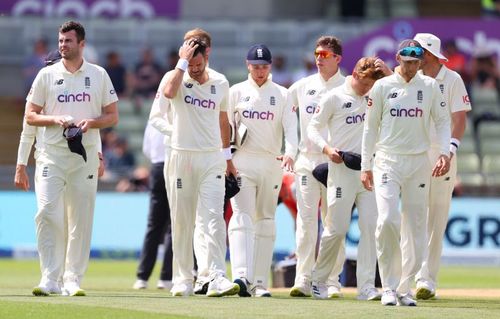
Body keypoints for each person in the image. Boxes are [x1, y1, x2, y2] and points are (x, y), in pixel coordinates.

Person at [24, 20, 118, 297]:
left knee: (81, 219)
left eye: (68, 41)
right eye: (60, 41)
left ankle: (72, 278)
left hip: (84, 156)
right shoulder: (47, 75)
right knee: (46, 213)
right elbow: (30, 115)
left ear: (82, 44)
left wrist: (92, 122)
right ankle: (49, 277)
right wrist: (55, 119)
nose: (63, 45)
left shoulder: (98, 74)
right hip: (51, 156)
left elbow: (113, 116)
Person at [360, 39, 451, 307]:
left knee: (416, 226)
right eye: (406, 61)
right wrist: (366, 166)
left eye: (415, 62)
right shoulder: (383, 86)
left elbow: (443, 121)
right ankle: (388, 286)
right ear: (398, 58)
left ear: (421, 61)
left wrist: (444, 152)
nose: (411, 67)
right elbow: (369, 129)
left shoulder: (430, 87)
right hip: (388, 160)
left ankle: (404, 288)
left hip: (418, 162)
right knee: (387, 220)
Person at [163, 34, 239, 297]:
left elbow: (223, 121)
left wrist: (227, 157)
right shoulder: (177, 76)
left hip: (211, 159)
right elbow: (168, 93)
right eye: (191, 65)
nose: (194, 71)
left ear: (206, 58)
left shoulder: (220, 82)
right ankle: (183, 278)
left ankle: (217, 275)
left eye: (198, 65)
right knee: (183, 221)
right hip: (182, 156)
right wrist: (182, 64)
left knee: (214, 217)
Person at [308, 57, 386, 300]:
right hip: (341, 169)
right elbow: (312, 128)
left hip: (370, 170)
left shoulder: (376, 94)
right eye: (364, 84)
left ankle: (366, 286)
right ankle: (318, 280)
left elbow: (399, 89)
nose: (366, 89)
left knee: (371, 228)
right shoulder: (334, 97)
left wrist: (386, 70)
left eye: (371, 85)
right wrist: (327, 149)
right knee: (337, 229)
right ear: (354, 73)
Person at [227, 44, 298, 297]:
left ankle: (259, 283)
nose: (260, 72)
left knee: (266, 220)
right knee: (241, 217)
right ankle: (241, 277)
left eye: (264, 67)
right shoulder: (236, 92)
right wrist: (227, 159)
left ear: (271, 67)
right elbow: (225, 129)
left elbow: (291, 128)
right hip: (243, 160)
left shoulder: (282, 94)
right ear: (248, 65)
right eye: (256, 67)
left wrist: (291, 152)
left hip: (271, 162)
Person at [412, 33, 472, 300]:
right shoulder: (412, 77)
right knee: (411, 216)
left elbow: (459, 119)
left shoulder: (453, 79)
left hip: (443, 153)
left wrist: (449, 152)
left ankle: (427, 279)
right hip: (414, 154)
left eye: (419, 51)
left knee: (436, 217)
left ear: (431, 55)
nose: (414, 56)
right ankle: (406, 277)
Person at [288, 36, 346, 298]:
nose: (319, 59)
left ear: (337, 58)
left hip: (335, 163)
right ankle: (303, 277)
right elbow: (282, 110)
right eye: (316, 54)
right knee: (305, 222)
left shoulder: (347, 87)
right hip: (307, 161)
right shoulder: (303, 86)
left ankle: (332, 280)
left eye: (324, 55)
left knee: (334, 223)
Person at [132, 122, 173, 290]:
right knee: (173, 225)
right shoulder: (179, 114)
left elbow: (146, 150)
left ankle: (142, 277)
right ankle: (166, 277)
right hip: (175, 166)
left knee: (153, 225)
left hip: (156, 167)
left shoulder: (154, 120)